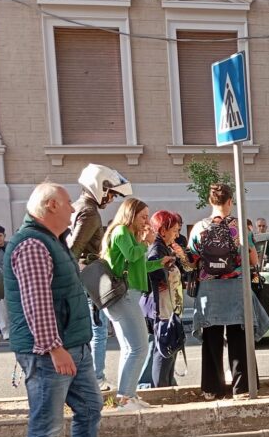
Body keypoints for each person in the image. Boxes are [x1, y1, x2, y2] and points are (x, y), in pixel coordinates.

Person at [4, 182, 124, 437]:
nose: (73, 209)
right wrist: (54, 348)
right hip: (50, 352)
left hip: (73, 345)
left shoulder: (51, 241)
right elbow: (37, 303)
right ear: (51, 206)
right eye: (68, 203)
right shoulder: (32, 244)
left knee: (89, 409)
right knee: (45, 424)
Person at [187, 183, 265, 399]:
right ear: (230, 202)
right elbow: (252, 259)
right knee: (238, 336)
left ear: (210, 201)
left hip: (209, 289)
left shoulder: (199, 228)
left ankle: (211, 388)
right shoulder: (240, 228)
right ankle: (242, 388)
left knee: (211, 338)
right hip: (235, 286)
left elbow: (192, 261)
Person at [102, 198, 173, 411]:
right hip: (125, 296)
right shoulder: (122, 232)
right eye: (143, 216)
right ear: (130, 215)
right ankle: (125, 398)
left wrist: (159, 263)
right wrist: (145, 242)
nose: (146, 222)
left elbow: (139, 266)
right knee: (139, 347)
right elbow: (132, 255)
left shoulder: (128, 234)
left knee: (129, 348)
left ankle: (128, 396)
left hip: (128, 295)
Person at [67, 163, 132, 391]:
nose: (111, 200)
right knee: (98, 329)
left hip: (83, 276)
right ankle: (96, 378)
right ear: (101, 188)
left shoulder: (79, 206)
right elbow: (73, 249)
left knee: (92, 328)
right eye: (111, 194)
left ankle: (90, 377)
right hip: (90, 276)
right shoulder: (89, 212)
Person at [141, 210, 187, 388]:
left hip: (169, 306)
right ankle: (161, 389)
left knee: (169, 348)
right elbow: (152, 272)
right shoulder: (157, 248)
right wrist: (166, 267)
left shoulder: (165, 246)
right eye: (174, 230)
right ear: (163, 230)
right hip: (162, 307)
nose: (177, 234)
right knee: (164, 348)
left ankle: (167, 386)